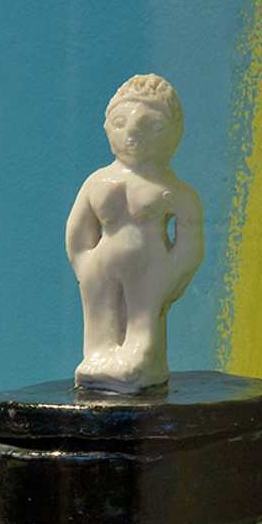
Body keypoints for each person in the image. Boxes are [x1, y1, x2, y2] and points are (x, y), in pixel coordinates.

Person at [65, 74, 203, 393]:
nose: (132, 133)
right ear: (106, 127)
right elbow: (77, 229)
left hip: (150, 268)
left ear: (173, 132)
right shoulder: (97, 181)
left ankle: (141, 361)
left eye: (151, 125)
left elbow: (191, 239)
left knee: (143, 320)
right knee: (100, 318)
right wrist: (84, 262)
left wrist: (173, 274)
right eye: (120, 122)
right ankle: (98, 358)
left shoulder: (174, 190)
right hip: (99, 264)